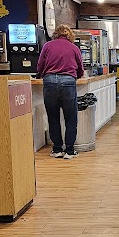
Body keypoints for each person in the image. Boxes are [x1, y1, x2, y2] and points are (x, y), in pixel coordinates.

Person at [37, 24, 84, 159]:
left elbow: (40, 65)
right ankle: (69, 150)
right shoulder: (74, 48)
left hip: (50, 81)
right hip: (68, 82)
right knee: (70, 118)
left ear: (55, 34)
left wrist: (41, 74)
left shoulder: (47, 46)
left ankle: (57, 149)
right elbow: (80, 68)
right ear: (70, 35)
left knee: (53, 117)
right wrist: (76, 76)